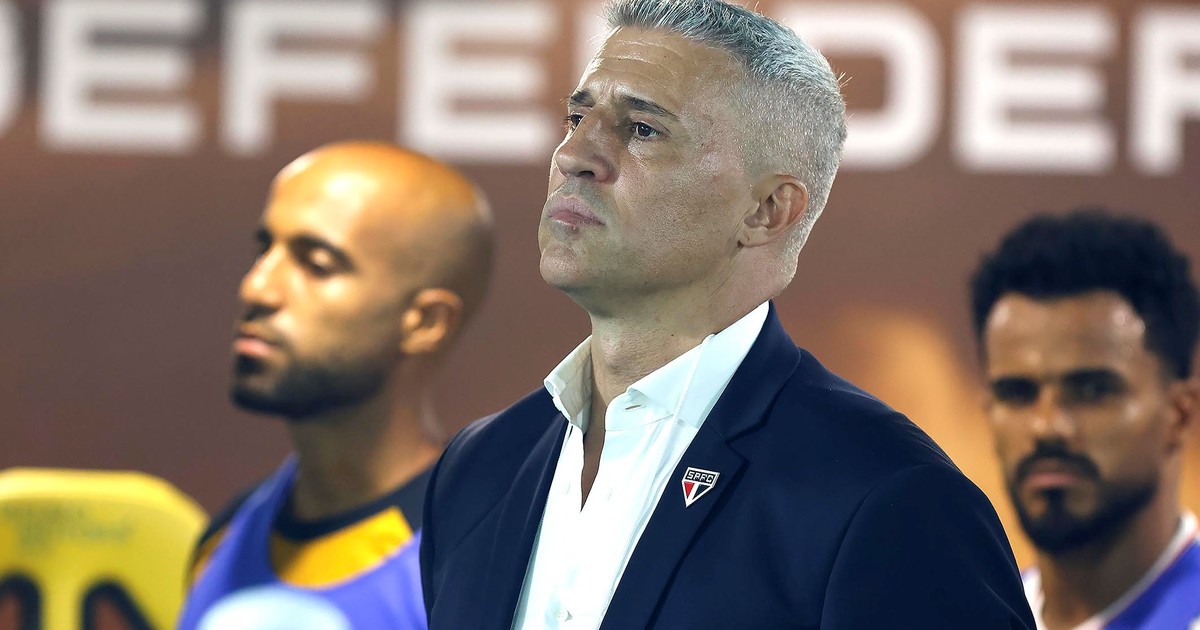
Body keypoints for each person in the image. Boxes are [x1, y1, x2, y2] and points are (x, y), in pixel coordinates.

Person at [420, 1, 1034, 627]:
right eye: (577, 117)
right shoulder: (477, 469)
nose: (574, 154)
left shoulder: (889, 497)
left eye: (642, 129)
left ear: (767, 210)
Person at [177, 142, 494, 629]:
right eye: (265, 249)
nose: (257, 288)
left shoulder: (476, 569)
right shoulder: (227, 538)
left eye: (316, 264)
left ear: (425, 322)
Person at [971, 209, 1200, 629]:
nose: (1046, 427)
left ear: (1180, 415)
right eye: (1017, 393)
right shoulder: (968, 616)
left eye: (1092, 391)